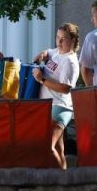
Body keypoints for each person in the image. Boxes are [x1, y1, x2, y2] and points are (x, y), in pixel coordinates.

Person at [32, 23, 80, 169]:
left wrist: (42, 79)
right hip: (49, 104)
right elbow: (48, 52)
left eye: (63, 39)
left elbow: (65, 88)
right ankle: (64, 180)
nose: (59, 42)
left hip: (60, 106)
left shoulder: (70, 61)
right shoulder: (57, 52)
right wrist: (42, 55)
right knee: (59, 149)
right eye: (57, 37)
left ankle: (58, 181)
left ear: (73, 41)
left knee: (47, 145)